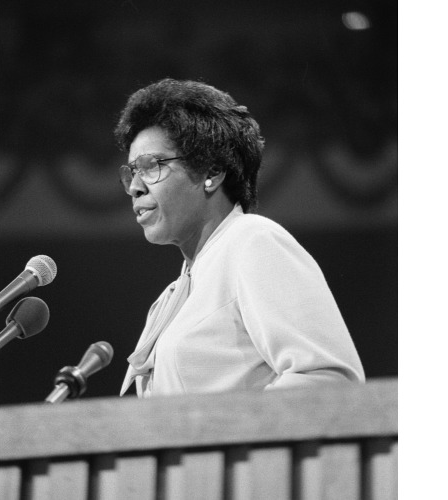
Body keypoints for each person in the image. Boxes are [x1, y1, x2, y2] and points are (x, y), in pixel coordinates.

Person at [114, 78, 365, 398]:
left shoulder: (253, 242)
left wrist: (215, 437)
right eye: (131, 171)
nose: (135, 186)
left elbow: (329, 380)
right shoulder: (171, 298)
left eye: (151, 166)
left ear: (211, 173)